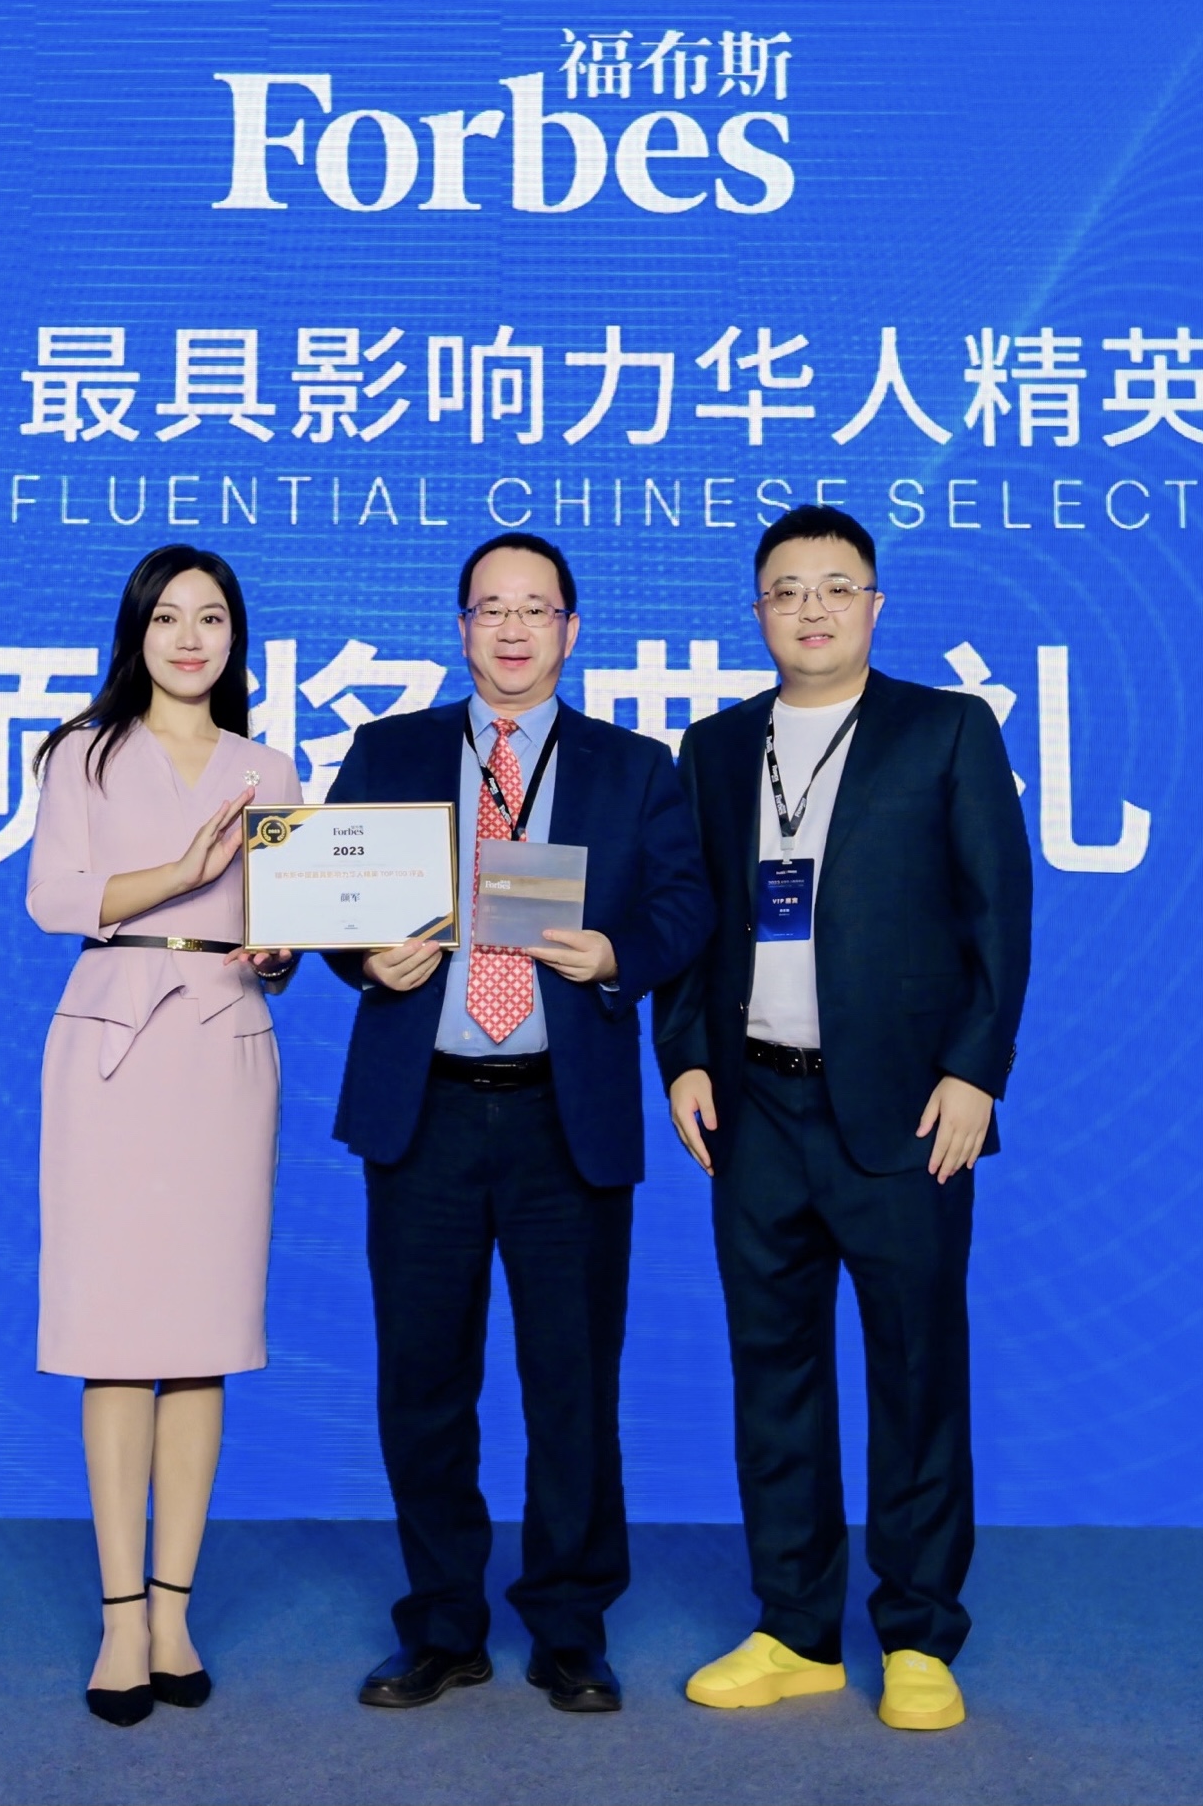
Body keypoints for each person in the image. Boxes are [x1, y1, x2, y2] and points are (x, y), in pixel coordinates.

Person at [654, 505, 1035, 1733]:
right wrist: (682, 1058)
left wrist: (974, 1073)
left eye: (834, 586)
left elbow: (998, 914)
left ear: (874, 606)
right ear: (755, 611)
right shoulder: (715, 748)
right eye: (785, 589)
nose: (809, 608)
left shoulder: (946, 729)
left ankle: (918, 1634)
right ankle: (795, 1630)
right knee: (773, 1375)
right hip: (753, 1105)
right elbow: (689, 919)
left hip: (906, 1111)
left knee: (917, 1374)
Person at [321, 532, 713, 1714]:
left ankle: (569, 1627)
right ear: (460, 629)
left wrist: (616, 955)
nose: (510, 628)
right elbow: (329, 898)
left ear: (570, 631)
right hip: (426, 1111)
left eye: (534, 609)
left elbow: (687, 905)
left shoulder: (631, 766)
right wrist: (361, 957)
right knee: (422, 1381)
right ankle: (442, 1624)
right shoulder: (388, 750)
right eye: (488, 608)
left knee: (571, 1383)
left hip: (562, 1115)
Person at [19, 544, 303, 1727]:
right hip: (113, 1048)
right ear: (135, 631)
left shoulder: (269, 767)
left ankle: (175, 1609)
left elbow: (288, 927)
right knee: (114, 1336)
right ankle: (120, 1617)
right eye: (170, 617)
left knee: (202, 1337)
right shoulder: (81, 754)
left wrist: (280, 952)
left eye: (213, 618)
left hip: (225, 1043)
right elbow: (52, 899)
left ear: (237, 638)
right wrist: (179, 870)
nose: (192, 638)